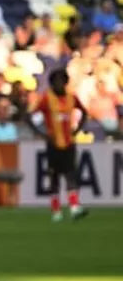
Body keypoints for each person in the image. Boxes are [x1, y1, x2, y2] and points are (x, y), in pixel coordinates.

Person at [26, 68, 88, 221]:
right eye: (56, 81)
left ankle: (74, 207)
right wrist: (42, 134)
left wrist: (76, 130)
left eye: (62, 81)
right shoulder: (46, 98)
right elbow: (28, 116)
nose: (59, 84)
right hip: (53, 143)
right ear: (52, 83)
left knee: (70, 174)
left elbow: (84, 112)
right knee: (53, 177)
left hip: (69, 142)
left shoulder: (72, 97)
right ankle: (56, 210)